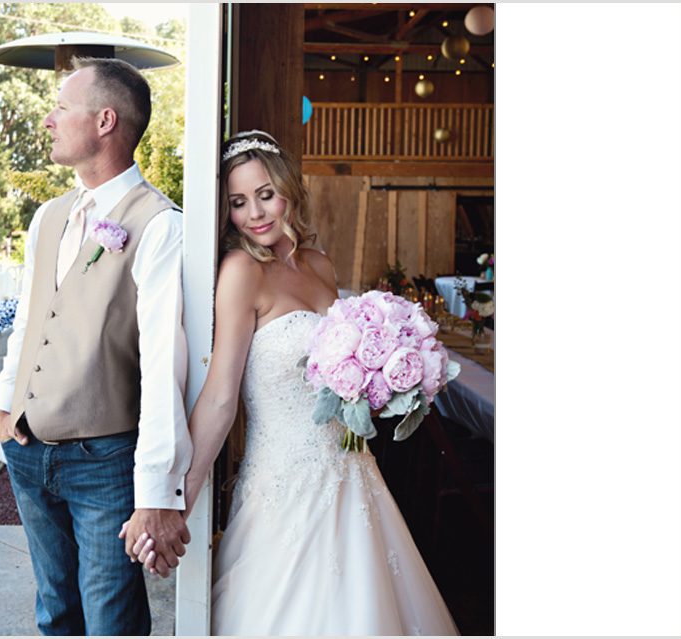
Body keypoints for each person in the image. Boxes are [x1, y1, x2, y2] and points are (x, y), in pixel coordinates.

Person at [132, 130, 459, 635]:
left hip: (351, 470)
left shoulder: (320, 264)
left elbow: (335, 372)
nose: (255, 213)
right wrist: (176, 497)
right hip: (282, 480)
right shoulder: (242, 271)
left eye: (265, 194)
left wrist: (377, 388)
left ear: (289, 190)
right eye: (239, 203)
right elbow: (220, 396)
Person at [0, 57, 192, 636]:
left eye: (61, 107)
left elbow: (163, 367)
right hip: (28, 451)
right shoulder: (49, 216)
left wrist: (156, 490)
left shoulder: (159, 225)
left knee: (111, 621)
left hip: (104, 464)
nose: (49, 119)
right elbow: (30, 322)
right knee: (55, 613)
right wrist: (5, 413)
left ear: (105, 121)